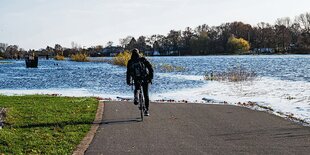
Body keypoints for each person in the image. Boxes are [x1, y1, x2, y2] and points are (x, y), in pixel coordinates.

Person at [127, 48, 154, 116]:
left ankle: (136, 97)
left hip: (136, 78)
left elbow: (128, 72)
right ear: (139, 53)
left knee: (137, 88)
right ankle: (146, 110)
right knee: (146, 94)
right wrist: (150, 77)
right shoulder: (143, 59)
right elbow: (150, 68)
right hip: (145, 78)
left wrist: (128, 81)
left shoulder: (130, 61)